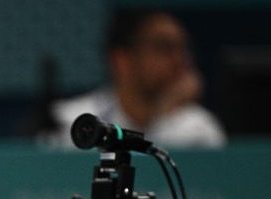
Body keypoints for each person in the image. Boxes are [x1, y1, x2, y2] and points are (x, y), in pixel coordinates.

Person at [46, 9, 225, 149]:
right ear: (122, 60)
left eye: (182, 49)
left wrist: (160, 112)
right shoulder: (74, 123)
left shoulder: (200, 129)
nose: (180, 60)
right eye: (164, 48)